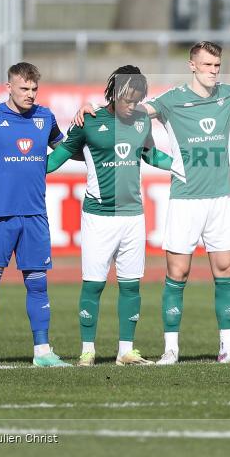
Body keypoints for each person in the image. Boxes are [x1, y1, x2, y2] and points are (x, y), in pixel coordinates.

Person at [74, 41, 230, 364]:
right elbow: (130, 108)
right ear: (192, 65)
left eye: (217, 66)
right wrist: (92, 107)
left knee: (225, 269)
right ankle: (171, 349)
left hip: (220, 199)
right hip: (185, 200)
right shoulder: (171, 100)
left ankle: (228, 347)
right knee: (177, 272)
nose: (213, 71)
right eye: (207, 65)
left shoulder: (226, 94)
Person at [48, 66, 173, 366]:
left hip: (133, 216)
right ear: (114, 93)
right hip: (98, 217)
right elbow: (54, 160)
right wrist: (21, 164)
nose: (133, 105)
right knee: (93, 284)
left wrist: (183, 166)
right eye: (128, 99)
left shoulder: (142, 120)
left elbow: (150, 154)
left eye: (137, 99)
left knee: (131, 284)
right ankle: (87, 350)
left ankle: (125, 350)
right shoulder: (88, 121)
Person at [0, 62, 69, 367]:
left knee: (38, 284)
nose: (29, 94)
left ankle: (42, 352)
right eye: (24, 88)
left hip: (35, 215)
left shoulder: (45, 117)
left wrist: (45, 167)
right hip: (0, 215)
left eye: (34, 89)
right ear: (8, 87)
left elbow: (63, 147)